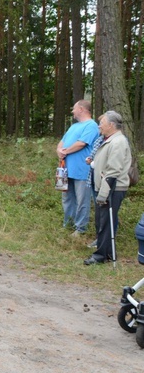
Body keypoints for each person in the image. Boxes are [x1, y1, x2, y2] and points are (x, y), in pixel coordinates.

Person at [84, 111, 131, 265]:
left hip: (112, 188)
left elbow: (113, 171)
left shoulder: (118, 142)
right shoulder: (109, 140)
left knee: (105, 222)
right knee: (103, 220)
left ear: (111, 125)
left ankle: (100, 256)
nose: (99, 126)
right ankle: (109, 252)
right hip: (105, 187)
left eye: (102, 123)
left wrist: (103, 194)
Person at [56, 100, 98, 236]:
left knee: (82, 200)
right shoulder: (73, 127)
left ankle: (80, 228)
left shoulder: (91, 126)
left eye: (74, 109)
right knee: (67, 198)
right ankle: (68, 224)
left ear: (81, 109)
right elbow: (62, 142)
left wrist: (65, 151)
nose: (72, 111)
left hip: (82, 170)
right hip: (66, 169)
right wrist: (59, 150)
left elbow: (81, 144)